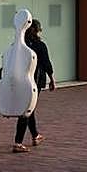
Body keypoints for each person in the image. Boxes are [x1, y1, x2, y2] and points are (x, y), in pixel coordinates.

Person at [13, 19, 55, 152]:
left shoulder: (19, 45)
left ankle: (35, 135)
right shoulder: (40, 45)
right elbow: (46, 63)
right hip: (34, 81)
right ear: (36, 30)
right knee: (26, 109)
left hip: (20, 80)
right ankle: (18, 143)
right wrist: (52, 79)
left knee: (29, 108)